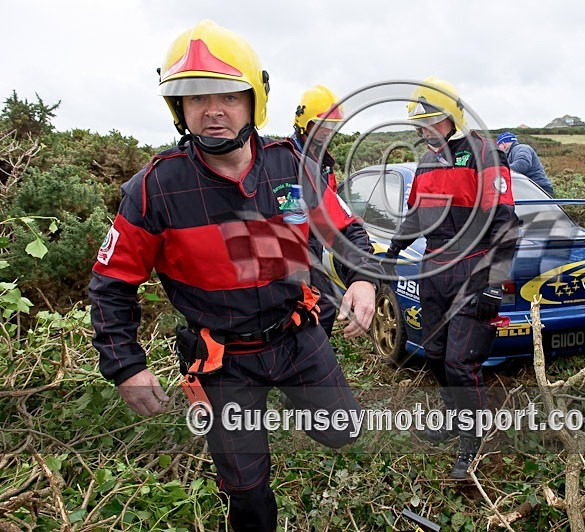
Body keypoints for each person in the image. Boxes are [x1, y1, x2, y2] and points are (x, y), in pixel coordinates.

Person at [88, 20, 378, 531]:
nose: (212, 110)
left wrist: (363, 279)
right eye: (195, 98)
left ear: (254, 100)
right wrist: (126, 367)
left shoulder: (294, 168)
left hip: (298, 336)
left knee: (344, 432)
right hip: (221, 360)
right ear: (179, 109)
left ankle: (295, 403)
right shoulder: (155, 189)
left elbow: (346, 231)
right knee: (246, 491)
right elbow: (112, 286)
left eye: (227, 95)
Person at [383, 77, 519, 479]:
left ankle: (472, 442)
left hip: (473, 270)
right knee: (438, 355)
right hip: (433, 269)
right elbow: (415, 218)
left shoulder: (484, 153)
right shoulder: (425, 161)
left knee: (462, 363)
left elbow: (506, 224)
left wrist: (493, 283)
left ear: (450, 117)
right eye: (418, 124)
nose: (423, 130)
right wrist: (391, 253)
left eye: (429, 121)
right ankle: (453, 418)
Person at [289, 85, 355, 337]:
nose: (327, 133)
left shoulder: (323, 163)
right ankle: (310, 352)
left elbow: (332, 206)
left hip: (315, 242)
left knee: (316, 305)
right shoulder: (290, 159)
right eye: (321, 126)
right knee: (322, 305)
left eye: (331, 127)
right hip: (295, 245)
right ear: (304, 124)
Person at [496, 131, 554, 196]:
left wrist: (501, 171)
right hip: (531, 189)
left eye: (498, 146)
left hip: (540, 190)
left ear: (503, 144)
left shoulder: (522, 148)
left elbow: (522, 164)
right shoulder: (511, 153)